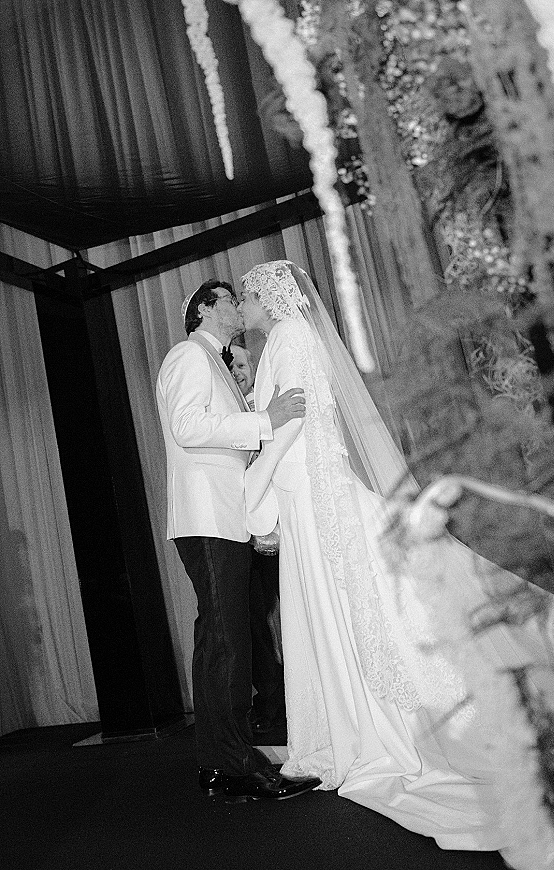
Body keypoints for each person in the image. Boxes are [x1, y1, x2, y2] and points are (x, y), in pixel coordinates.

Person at [238, 261, 554, 864]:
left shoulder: (286, 338)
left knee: (347, 604)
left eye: (247, 296)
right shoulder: (292, 338)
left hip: (309, 490)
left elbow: (290, 427)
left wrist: (255, 494)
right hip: (310, 487)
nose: (244, 307)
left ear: (269, 298)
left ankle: (368, 727)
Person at [155, 278, 320, 801]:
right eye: (228, 298)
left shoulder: (219, 363)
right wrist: (264, 420)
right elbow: (187, 426)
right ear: (205, 308)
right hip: (206, 516)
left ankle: (225, 758)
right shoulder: (188, 355)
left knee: (225, 637)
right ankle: (229, 766)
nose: (237, 305)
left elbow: (224, 435)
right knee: (226, 638)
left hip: (225, 517)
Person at [230, 341, 286, 734]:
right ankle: (270, 701)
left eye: (242, 364)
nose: (237, 373)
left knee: (291, 611)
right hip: (244, 532)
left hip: (282, 524)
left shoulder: (270, 408)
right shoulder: (230, 415)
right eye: (230, 367)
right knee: (254, 620)